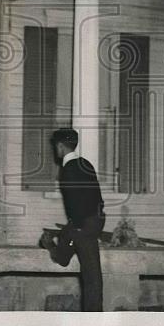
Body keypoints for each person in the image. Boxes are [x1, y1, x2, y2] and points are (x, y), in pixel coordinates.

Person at [38, 128, 105, 311]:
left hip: (82, 226)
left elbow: (75, 204)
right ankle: (55, 246)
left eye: (56, 146)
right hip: (94, 222)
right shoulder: (86, 164)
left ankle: (93, 319)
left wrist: (78, 226)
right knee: (70, 251)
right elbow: (97, 198)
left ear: (60, 146)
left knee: (91, 278)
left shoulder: (67, 170)